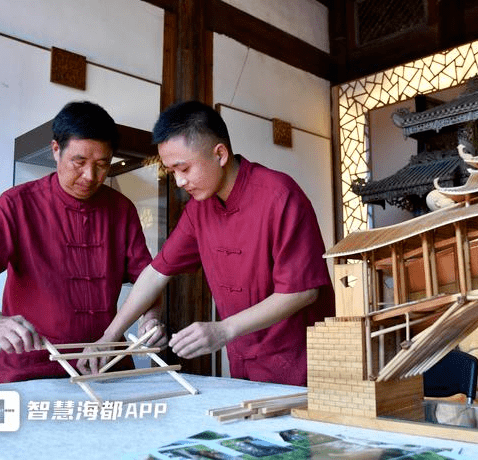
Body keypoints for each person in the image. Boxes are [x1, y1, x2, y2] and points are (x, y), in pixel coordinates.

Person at [87, 100, 335, 386]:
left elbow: (302, 292)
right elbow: (157, 273)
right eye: (171, 172)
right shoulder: (198, 208)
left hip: (302, 363)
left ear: (219, 154)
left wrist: (223, 329)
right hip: (243, 362)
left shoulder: (280, 196)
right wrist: (109, 337)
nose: (179, 182)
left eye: (184, 168)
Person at [0, 101, 164, 383]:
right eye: (79, 162)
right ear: (56, 150)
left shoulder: (121, 209)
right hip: (35, 368)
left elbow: (148, 280)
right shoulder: (17, 204)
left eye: (102, 165)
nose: (90, 176)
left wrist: (150, 319)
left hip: (108, 365)